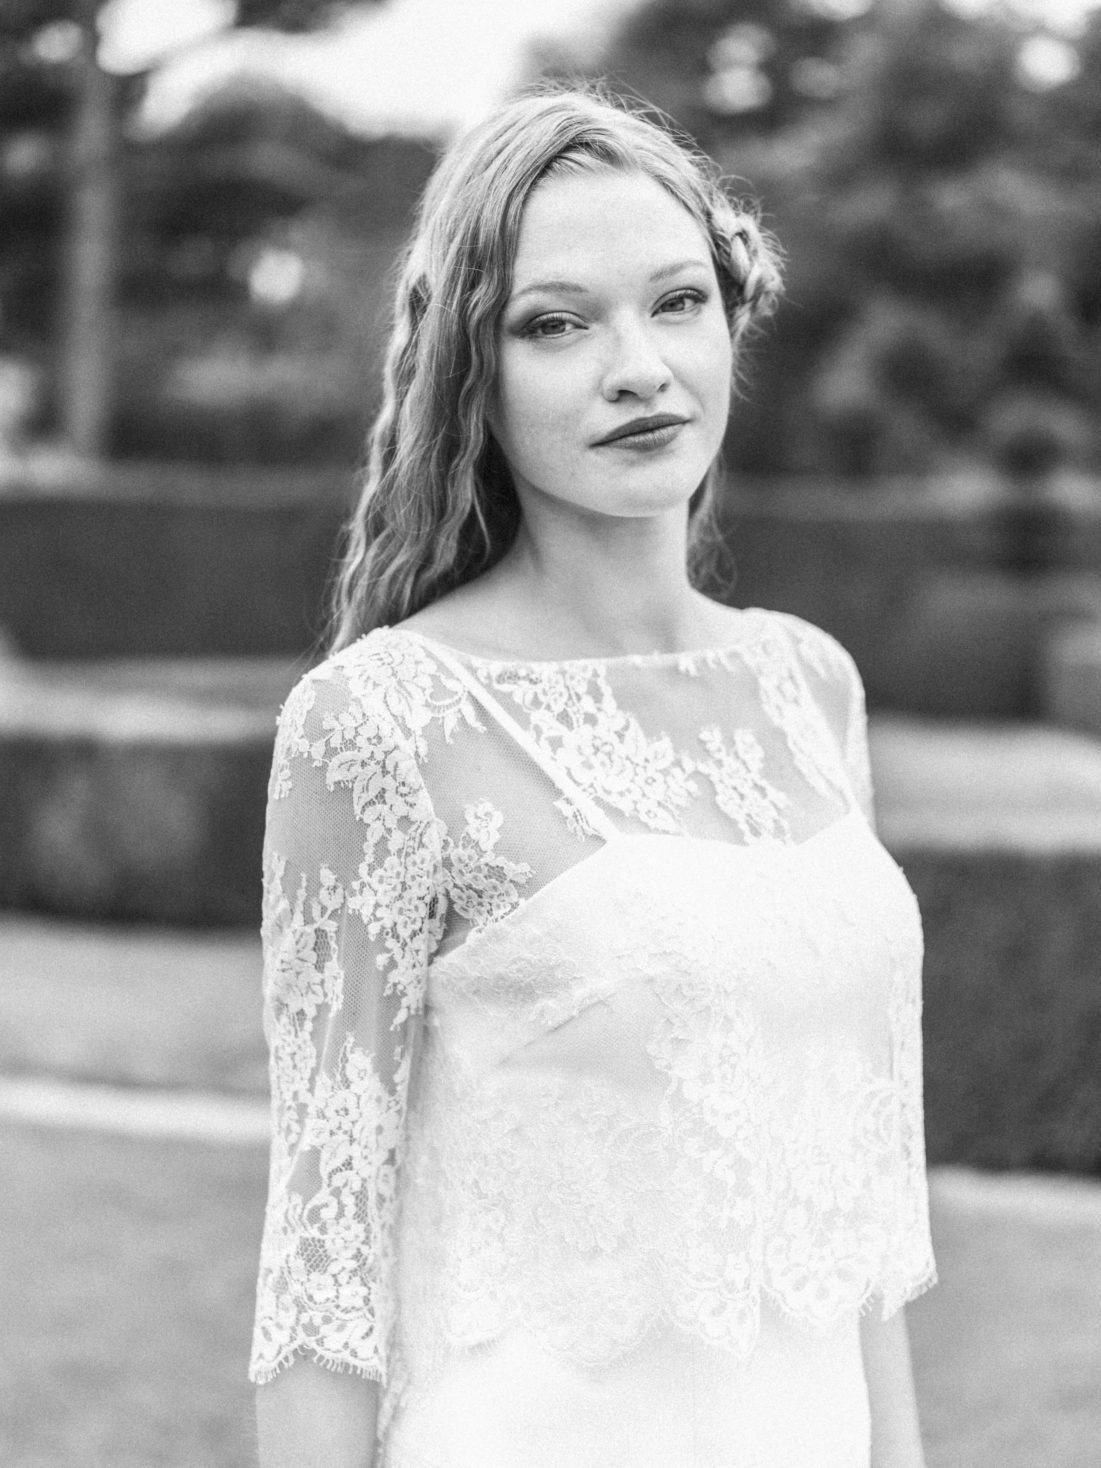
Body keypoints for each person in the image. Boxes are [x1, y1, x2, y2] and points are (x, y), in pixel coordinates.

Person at [250, 86, 936, 1468]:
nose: (637, 368)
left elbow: (856, 1223)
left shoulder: (809, 686)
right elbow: (321, 1270)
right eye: (556, 324)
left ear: (731, 321)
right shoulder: (381, 723)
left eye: (676, 303)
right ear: (470, 368)